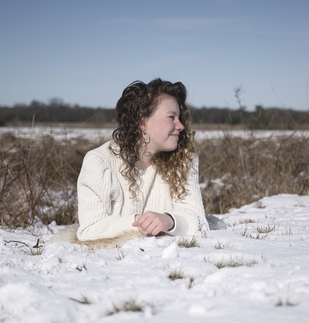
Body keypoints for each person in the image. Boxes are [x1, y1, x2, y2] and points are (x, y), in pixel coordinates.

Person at [76, 78, 209, 242]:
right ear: (142, 123)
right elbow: (89, 230)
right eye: (171, 117)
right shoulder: (99, 163)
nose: (180, 125)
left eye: (179, 117)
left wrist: (170, 221)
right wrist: (137, 222)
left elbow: (199, 221)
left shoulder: (183, 157)